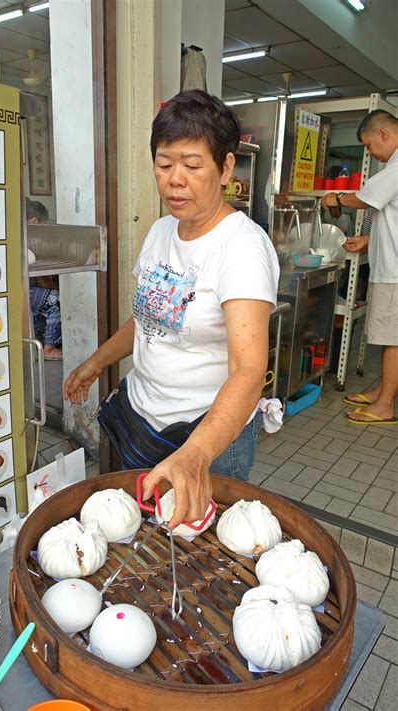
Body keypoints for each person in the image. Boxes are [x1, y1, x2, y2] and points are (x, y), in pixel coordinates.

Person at [64, 90, 279, 527]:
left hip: (206, 434)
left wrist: (196, 455)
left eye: (192, 165)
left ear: (225, 168)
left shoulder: (242, 248)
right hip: (145, 418)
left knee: (203, 551)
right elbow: (149, 319)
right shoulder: (162, 231)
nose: (175, 179)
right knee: (136, 536)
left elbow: (248, 368)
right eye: (164, 164)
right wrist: (95, 363)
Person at [322, 109, 398, 425]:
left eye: (369, 145)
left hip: (395, 272)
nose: (370, 152)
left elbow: (366, 199)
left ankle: (385, 405)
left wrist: (335, 197)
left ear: (384, 134)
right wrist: (368, 238)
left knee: (393, 337)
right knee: (389, 335)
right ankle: (384, 390)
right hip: (390, 264)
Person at [26, 198, 63, 360]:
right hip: (24, 290)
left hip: (22, 289)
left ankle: (41, 342)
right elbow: (42, 277)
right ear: (35, 221)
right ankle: (49, 348)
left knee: (43, 303)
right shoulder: (32, 240)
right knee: (56, 301)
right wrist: (55, 290)